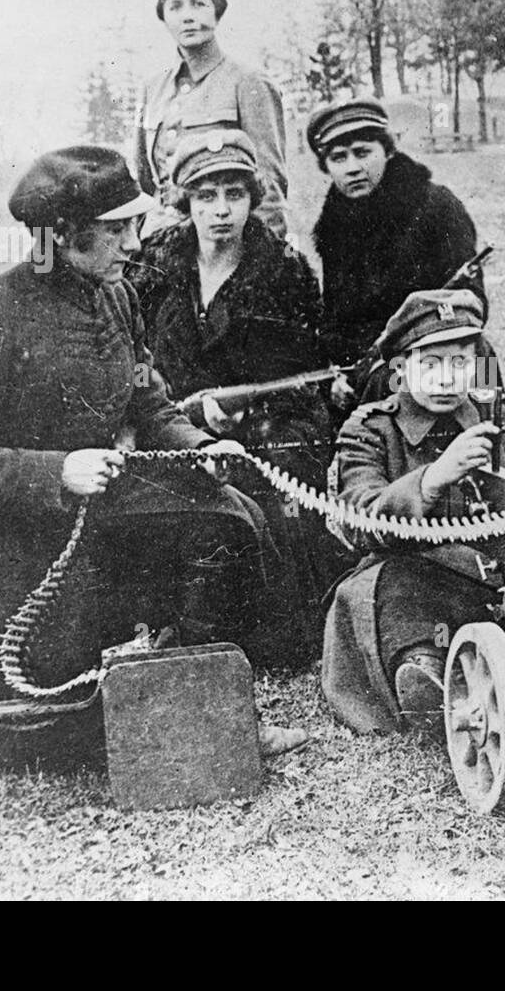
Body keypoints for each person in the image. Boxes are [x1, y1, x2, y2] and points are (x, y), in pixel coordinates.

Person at [0, 146, 306, 763]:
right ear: (61, 235)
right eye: (116, 231)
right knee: (43, 735)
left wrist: (200, 446)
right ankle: (141, 718)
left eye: (134, 226)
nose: (135, 245)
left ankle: (203, 709)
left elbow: (148, 405)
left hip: (98, 498)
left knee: (229, 515)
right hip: (6, 534)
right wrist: (57, 471)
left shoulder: (118, 297)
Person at [129, 128, 345, 665]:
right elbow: (132, 356)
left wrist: (240, 420)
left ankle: (268, 629)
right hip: (167, 426)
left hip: (262, 439)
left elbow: (305, 386)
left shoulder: (284, 273)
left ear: (253, 197)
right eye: (206, 196)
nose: (221, 211)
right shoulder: (151, 265)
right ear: (186, 202)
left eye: (235, 194)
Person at [321, 289, 505, 734]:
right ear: (401, 368)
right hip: (417, 580)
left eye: (460, 363)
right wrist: (432, 478)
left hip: (500, 574)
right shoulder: (371, 428)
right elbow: (360, 516)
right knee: (394, 586)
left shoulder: (504, 421)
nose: (448, 379)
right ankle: (423, 674)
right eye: (430, 366)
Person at [306, 98, 489, 411]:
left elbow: (472, 303)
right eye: (338, 158)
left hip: (443, 353)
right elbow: (336, 318)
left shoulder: (437, 207)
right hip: (367, 368)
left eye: (363, 152)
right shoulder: (333, 225)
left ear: (387, 151)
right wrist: (337, 372)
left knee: (486, 385)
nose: (352, 168)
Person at [133, 0, 287, 241]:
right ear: (163, 17)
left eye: (198, 3)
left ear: (217, 11)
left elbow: (270, 188)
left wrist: (266, 265)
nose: (187, 16)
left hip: (223, 244)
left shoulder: (248, 82)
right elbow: (143, 185)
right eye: (175, 6)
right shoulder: (152, 88)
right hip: (159, 243)